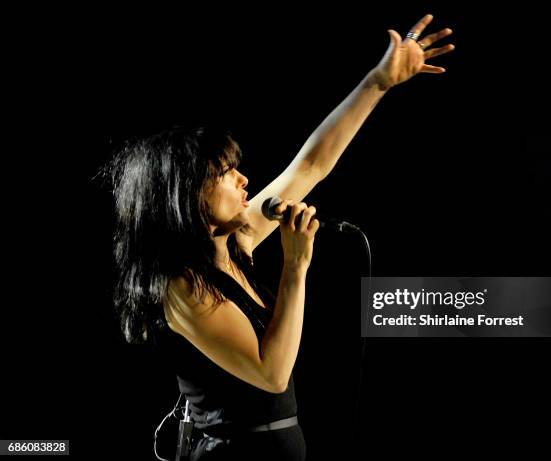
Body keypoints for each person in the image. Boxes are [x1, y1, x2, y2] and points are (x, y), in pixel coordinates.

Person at [104, 14, 454, 461]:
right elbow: (271, 374)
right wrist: (295, 266)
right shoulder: (180, 286)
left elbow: (310, 166)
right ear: (184, 195)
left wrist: (378, 83)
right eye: (225, 174)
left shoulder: (236, 244)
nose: (244, 180)